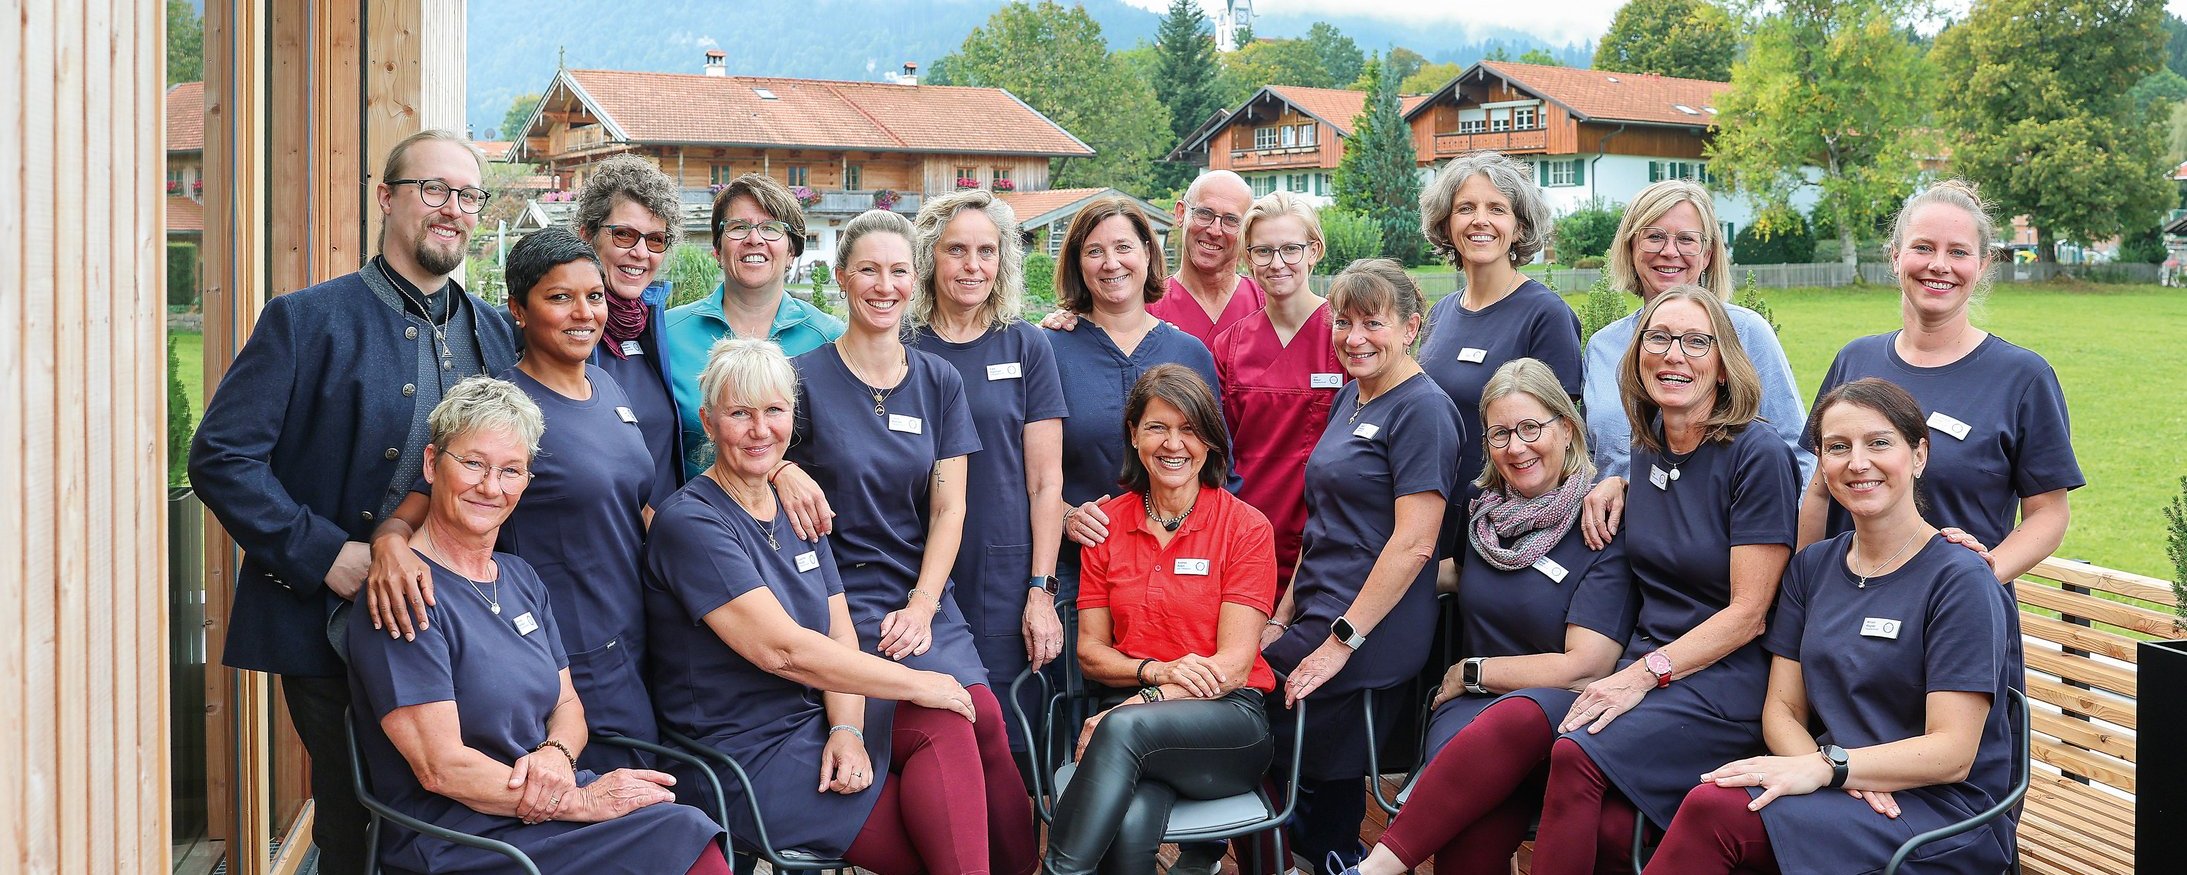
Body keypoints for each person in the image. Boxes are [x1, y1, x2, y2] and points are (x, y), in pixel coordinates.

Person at [188, 129, 522, 874]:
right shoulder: (305, 319)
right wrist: (325, 554)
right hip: (328, 626)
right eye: (433, 189)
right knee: (359, 824)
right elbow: (221, 456)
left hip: (459, 627)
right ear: (385, 198)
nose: (453, 208)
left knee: (454, 818)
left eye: (468, 195)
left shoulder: (496, 333)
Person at [645, 337, 1012, 874]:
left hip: (814, 715)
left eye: (774, 411)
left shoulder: (795, 507)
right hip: (747, 752)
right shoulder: (692, 523)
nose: (760, 429)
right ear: (708, 421)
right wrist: (917, 682)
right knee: (933, 847)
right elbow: (784, 652)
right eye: (740, 413)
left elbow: (840, 634)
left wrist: (847, 729)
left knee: (946, 719)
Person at [346, 377, 727, 875]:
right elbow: (441, 768)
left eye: (510, 470)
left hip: (539, 810)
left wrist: (556, 753)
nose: (491, 487)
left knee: (680, 824)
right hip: (461, 836)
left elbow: (568, 705)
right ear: (432, 464)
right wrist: (580, 801)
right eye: (473, 464)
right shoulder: (405, 594)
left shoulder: (520, 577)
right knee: (675, 837)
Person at [1643, 377, 2019, 874]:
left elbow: (1952, 752)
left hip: (1937, 813)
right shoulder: (1812, 568)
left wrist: (1832, 768)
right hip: (1844, 789)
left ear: (1919, 455)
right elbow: (1782, 708)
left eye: (1879, 443)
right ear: (1821, 462)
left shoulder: (1960, 579)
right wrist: (1828, 771)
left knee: (1717, 811)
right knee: (1707, 800)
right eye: (1838, 447)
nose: (1858, 462)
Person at [781, 209, 1039, 873]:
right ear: (842, 277)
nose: (884, 285)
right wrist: (782, 468)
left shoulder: (938, 381)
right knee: (948, 722)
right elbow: (750, 457)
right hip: (835, 598)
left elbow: (950, 507)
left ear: (913, 278)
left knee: (985, 715)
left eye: (898, 270)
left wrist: (923, 606)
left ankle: (1026, 865)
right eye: (868, 269)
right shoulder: (799, 378)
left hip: (919, 593)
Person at [1527, 286, 1800, 875]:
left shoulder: (1758, 455)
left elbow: (1750, 614)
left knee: (1573, 753)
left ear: (1723, 365)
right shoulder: (1648, 442)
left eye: (1697, 342)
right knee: (1609, 827)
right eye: (1659, 338)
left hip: (1726, 676)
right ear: (1638, 356)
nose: (1674, 354)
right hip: (1652, 658)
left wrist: (1637, 677)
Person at [365, 228, 661, 768]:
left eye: (594, 296)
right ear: (518, 311)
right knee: (614, 792)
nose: (583, 313)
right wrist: (387, 549)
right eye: (560, 297)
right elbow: (415, 509)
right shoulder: (507, 411)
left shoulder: (608, 389)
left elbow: (636, 502)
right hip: (572, 650)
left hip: (637, 630)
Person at [1340, 359, 1634, 875]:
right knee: (1467, 844)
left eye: (1530, 428)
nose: (1516, 447)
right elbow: (1445, 573)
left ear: (1567, 429)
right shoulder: (1483, 514)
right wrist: (1341, 590)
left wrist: (1471, 672)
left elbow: (1585, 667)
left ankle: (1375, 868)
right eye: (1500, 434)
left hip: (1563, 718)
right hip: (1473, 720)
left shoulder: (1601, 522)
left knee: (1517, 718)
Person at [1264, 259, 1461, 872]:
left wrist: (1340, 642)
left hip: (1374, 623)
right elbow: (1321, 520)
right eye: (1343, 322)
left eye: (1372, 322)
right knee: (1248, 677)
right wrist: (1281, 614)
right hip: (1319, 604)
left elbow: (1415, 544)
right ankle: (1310, 849)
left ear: (1411, 328)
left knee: (1247, 693)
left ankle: (1310, 851)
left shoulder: (1423, 411)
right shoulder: (1351, 395)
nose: (1354, 338)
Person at [1043, 365, 1280, 875]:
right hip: (1132, 723)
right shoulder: (1107, 526)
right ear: (1134, 434)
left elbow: (1233, 668)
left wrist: (1141, 703)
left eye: (1189, 429)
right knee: (1129, 831)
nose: (1174, 444)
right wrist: (1155, 673)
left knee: (1124, 730)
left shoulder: (1245, 527)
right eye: (1157, 427)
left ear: (1210, 441)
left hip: (1226, 723)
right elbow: (1090, 654)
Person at [1799, 180, 2080, 584]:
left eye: (1959, 252)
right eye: (1923, 247)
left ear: (1983, 265)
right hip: (1849, 608)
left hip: (1958, 612)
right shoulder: (1855, 360)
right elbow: (1820, 492)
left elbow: (2049, 512)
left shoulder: (2022, 377)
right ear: (1895, 256)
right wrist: (1801, 592)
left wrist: (1981, 575)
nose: (1939, 265)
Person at [907, 190, 1071, 773]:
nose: (973, 266)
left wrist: (1041, 590)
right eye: (956, 250)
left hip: (1005, 567)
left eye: (987, 251)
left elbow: (1046, 482)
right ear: (929, 256)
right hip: (915, 563)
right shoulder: (901, 344)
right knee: (935, 730)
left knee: (1011, 735)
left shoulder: (1026, 344)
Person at [1579, 180, 1812, 549]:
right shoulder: (1603, 346)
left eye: (1687, 239)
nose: (1669, 251)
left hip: (1719, 553)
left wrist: (1778, 549)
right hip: (1613, 549)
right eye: (1654, 236)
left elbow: (1797, 454)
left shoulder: (1745, 333)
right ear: (1631, 247)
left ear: (1707, 255)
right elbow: (1590, 457)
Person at [1050, 197, 1232, 607]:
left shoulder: (1189, 353)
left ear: (1148, 253)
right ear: (1078, 263)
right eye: (1094, 251)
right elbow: (1020, 471)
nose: (1111, 263)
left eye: (1123, 247)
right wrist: (1065, 515)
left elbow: (1218, 468)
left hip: (1180, 570)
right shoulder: (1048, 350)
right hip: (1079, 570)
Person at [1414, 153, 1583, 518]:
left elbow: (1557, 444)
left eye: (1496, 209)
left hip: (1502, 521)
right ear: (1446, 225)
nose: (1480, 220)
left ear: (1519, 227)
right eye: (1465, 208)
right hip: (1433, 509)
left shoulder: (1546, 316)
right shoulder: (1439, 314)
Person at [665, 172, 844, 480]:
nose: (754, 239)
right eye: (738, 227)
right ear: (717, 249)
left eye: (771, 228)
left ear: (791, 251)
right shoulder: (668, 334)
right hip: (692, 507)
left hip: (802, 512)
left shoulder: (830, 339)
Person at [1209, 191, 1343, 592]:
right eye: (1263, 251)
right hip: (1246, 532)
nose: (1277, 263)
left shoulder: (1346, 338)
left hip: (1327, 534)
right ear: (1248, 258)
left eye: (1290, 249)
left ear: (1314, 251)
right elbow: (1216, 448)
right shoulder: (1230, 346)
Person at [575, 154, 692, 506]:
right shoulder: (558, 332)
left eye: (655, 240)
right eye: (624, 235)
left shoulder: (655, 331)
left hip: (666, 535)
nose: (641, 253)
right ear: (587, 235)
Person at [1152, 170, 1267, 345]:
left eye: (1231, 220)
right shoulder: (1146, 307)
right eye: (1204, 213)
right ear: (1181, 213)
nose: (1215, 231)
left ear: (1247, 232)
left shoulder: (1268, 306)